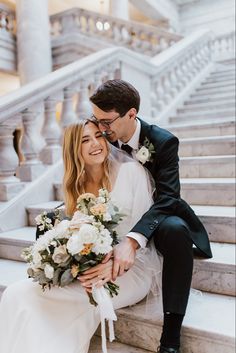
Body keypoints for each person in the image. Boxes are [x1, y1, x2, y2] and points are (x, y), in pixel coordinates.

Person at [0, 120, 161, 353]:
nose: (96, 144)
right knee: (16, 293)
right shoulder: (76, 187)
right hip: (91, 272)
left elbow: (144, 238)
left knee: (45, 303)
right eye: (85, 140)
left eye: (98, 136)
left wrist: (112, 266)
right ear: (73, 148)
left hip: (131, 271)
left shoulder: (131, 172)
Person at [89, 79, 212, 353]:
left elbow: (169, 198)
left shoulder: (163, 141)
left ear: (131, 114)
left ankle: (170, 340)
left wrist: (132, 241)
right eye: (97, 120)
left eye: (107, 122)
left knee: (177, 231)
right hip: (121, 214)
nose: (101, 129)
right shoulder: (103, 141)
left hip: (158, 215)